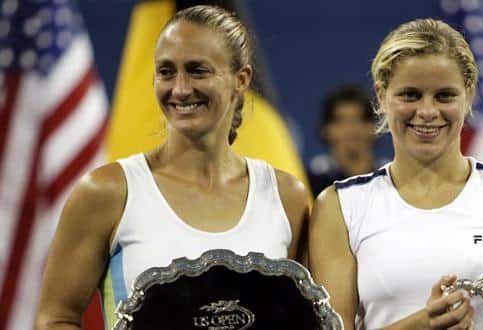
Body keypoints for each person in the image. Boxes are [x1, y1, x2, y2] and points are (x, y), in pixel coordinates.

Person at [35, 5, 309, 329]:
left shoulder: (286, 197)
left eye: (198, 71)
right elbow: (56, 318)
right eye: (166, 72)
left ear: (241, 80)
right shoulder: (106, 193)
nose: (179, 89)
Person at [309, 19, 483, 330]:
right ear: (381, 96)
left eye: (444, 95)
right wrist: (423, 324)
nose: (428, 111)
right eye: (410, 95)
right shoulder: (340, 207)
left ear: (469, 95)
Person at [307, 84, 381, 196]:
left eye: (358, 120)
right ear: (326, 130)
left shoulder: (394, 181)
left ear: (375, 127)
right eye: (341, 121)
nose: (350, 130)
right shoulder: (308, 183)